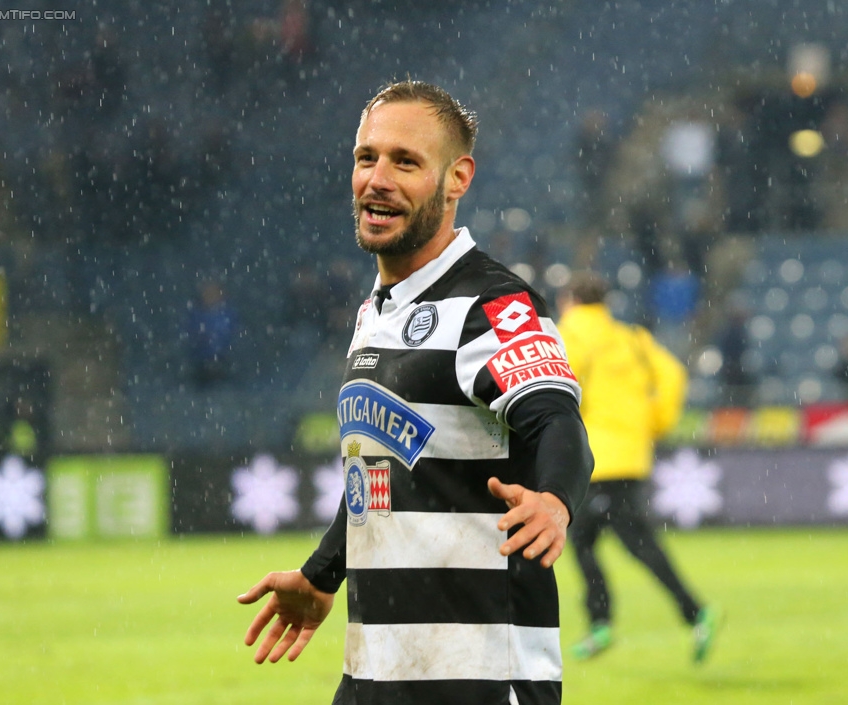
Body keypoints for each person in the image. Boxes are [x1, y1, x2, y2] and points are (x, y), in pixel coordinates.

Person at [238, 80, 593, 705]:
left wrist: (555, 501)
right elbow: (380, 478)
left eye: (406, 162)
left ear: (458, 179)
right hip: (377, 670)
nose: (377, 178)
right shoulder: (375, 312)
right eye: (366, 157)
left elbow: (557, 421)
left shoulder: (490, 303)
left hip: (477, 676)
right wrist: (323, 576)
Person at [555, 271, 720, 663]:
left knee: (619, 543)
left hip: (595, 459)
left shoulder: (568, 337)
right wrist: (657, 420)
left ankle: (691, 612)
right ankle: (605, 622)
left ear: (569, 302)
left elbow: (557, 387)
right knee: (587, 539)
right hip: (631, 456)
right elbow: (674, 375)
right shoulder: (633, 339)